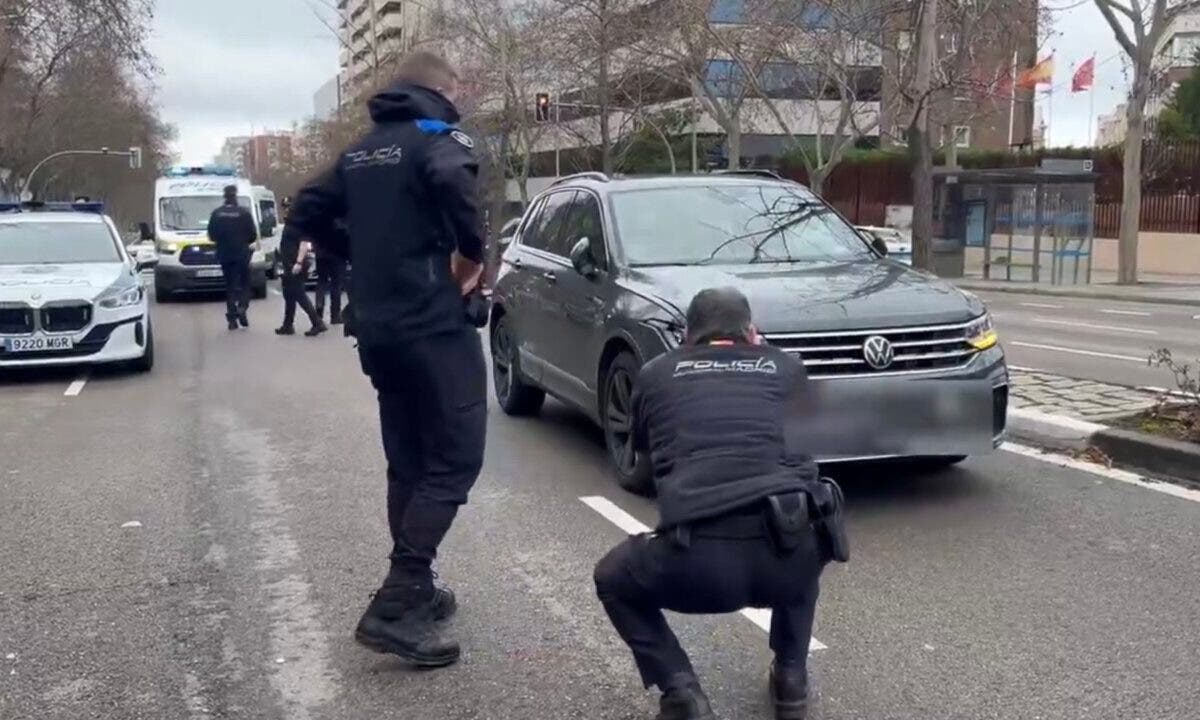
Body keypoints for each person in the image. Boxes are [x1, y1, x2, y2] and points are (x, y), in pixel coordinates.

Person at [289, 50, 487, 669]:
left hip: (377, 326)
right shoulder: (437, 135)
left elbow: (304, 210)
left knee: (408, 461)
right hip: (432, 324)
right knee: (455, 459)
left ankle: (419, 591)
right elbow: (457, 184)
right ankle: (398, 598)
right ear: (443, 89)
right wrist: (470, 257)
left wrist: (361, 254)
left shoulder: (358, 150)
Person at [593, 287, 847, 720]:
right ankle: (791, 676)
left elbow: (643, 459)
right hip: (787, 561)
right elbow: (812, 454)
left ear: (688, 338)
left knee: (613, 577)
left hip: (697, 564)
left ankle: (681, 692)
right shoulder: (789, 367)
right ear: (752, 333)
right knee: (804, 527)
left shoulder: (656, 374)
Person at [207, 185, 257, 330]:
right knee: (245, 284)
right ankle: (242, 307)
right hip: (242, 254)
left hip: (224, 255)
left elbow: (211, 235)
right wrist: (243, 241)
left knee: (230, 287)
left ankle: (231, 319)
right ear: (235, 195)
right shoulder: (244, 213)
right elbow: (252, 235)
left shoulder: (217, 214)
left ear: (224, 196)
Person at [275, 199, 326, 337]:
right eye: (284, 207)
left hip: (296, 264)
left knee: (299, 294)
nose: (286, 210)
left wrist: (298, 262)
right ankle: (287, 324)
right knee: (288, 294)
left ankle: (317, 323)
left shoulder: (300, 223)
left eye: (288, 208)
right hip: (288, 264)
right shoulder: (291, 222)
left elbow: (304, 244)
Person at [314, 241, 348, 325]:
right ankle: (335, 316)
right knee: (336, 284)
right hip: (338, 254)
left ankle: (319, 308)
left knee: (321, 281)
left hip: (321, 253)